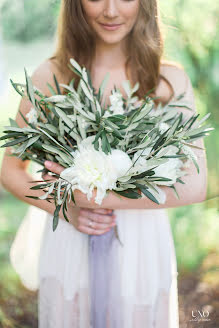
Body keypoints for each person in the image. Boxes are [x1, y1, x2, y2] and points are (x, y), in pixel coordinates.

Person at [0, 0, 207, 327]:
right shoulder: (50, 76)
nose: (111, 11)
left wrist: (91, 199)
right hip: (71, 241)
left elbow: (195, 185)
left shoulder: (169, 81)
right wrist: (67, 209)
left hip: (142, 245)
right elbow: (10, 169)